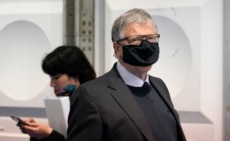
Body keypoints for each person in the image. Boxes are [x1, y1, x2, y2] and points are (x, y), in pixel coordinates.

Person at [67, 8, 186, 141]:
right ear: (117, 48)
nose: (146, 46)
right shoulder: (90, 95)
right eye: (135, 40)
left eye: (151, 38)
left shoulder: (159, 85)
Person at [17, 45, 96, 141]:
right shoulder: (69, 102)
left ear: (76, 75)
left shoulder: (91, 104)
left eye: (57, 77)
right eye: (51, 78)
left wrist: (48, 133)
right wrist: (36, 133)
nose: (52, 84)